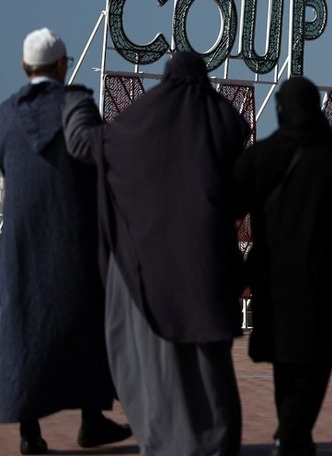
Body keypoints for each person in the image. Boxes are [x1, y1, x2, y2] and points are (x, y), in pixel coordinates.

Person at [64, 49, 249, 456]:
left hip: (147, 266)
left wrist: (76, 103)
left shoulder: (137, 123)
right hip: (205, 267)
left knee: (157, 367)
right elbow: (239, 192)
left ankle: (165, 441)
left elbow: (87, 144)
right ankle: (215, 441)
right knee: (208, 365)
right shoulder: (220, 121)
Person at [0, 28, 131, 455]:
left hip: (20, 239)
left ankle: (28, 433)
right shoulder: (77, 104)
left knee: (23, 329)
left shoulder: (5, 115)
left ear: (24, 67)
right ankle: (91, 420)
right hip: (75, 235)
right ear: (62, 66)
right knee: (87, 323)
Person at [235, 76, 332, 456]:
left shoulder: (260, 156)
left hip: (274, 279)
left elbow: (223, 208)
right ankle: (294, 433)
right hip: (325, 279)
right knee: (316, 362)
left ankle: (291, 432)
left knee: (286, 361)